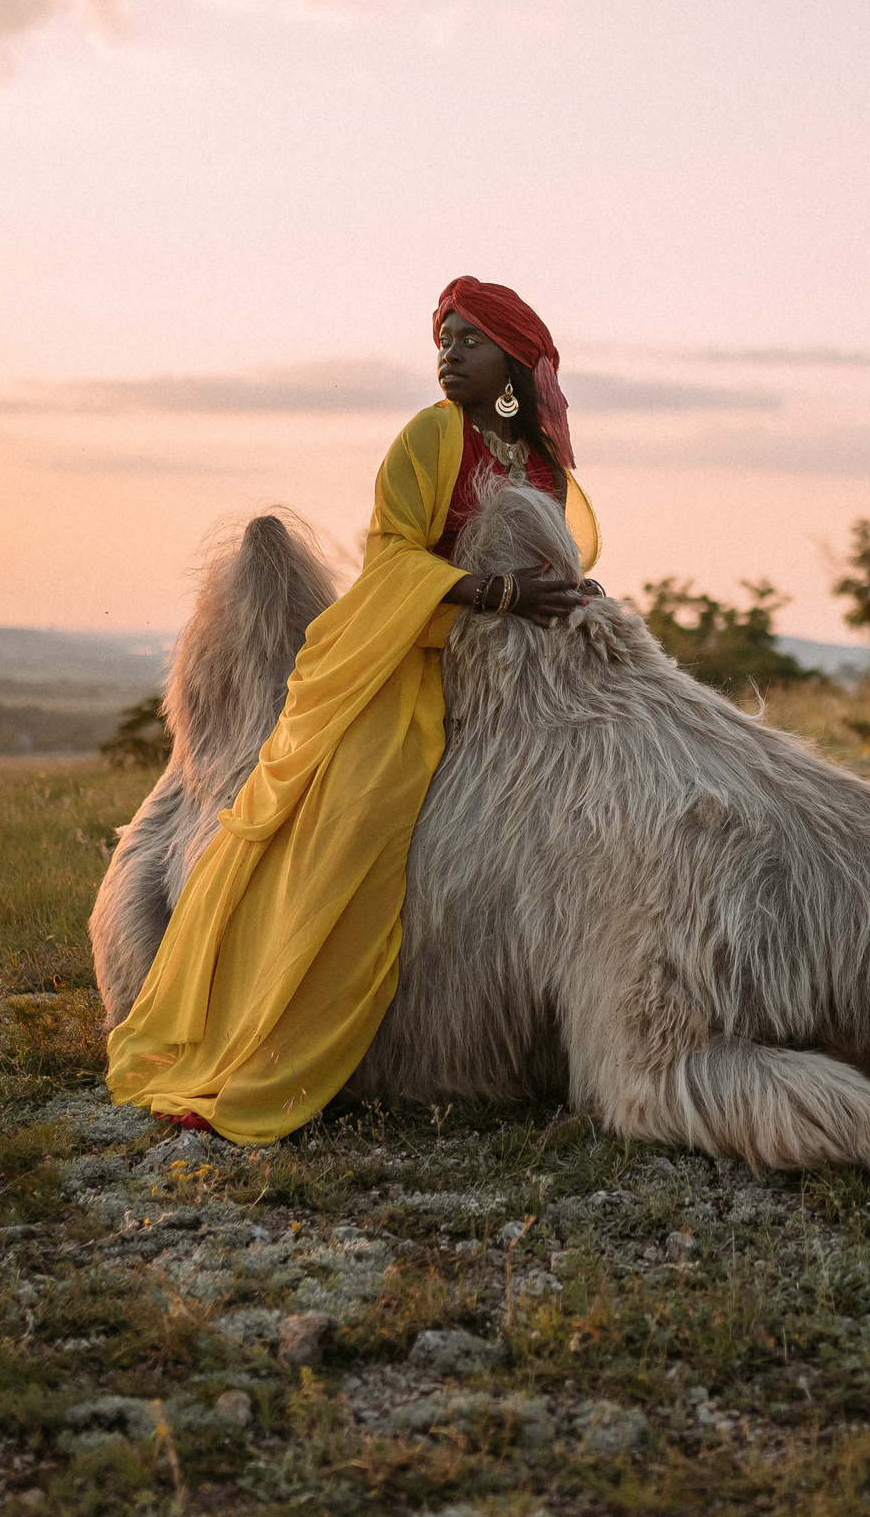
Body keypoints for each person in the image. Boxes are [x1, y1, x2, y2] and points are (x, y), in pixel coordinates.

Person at [104, 278, 599, 1143]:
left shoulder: (542, 466)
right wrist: (494, 592)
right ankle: (272, 1023)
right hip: (405, 654)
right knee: (356, 814)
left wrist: (557, 599)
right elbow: (392, 559)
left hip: (518, 666)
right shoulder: (433, 435)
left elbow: (548, 557)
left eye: (470, 340)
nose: (448, 354)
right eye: (441, 338)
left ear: (516, 363)